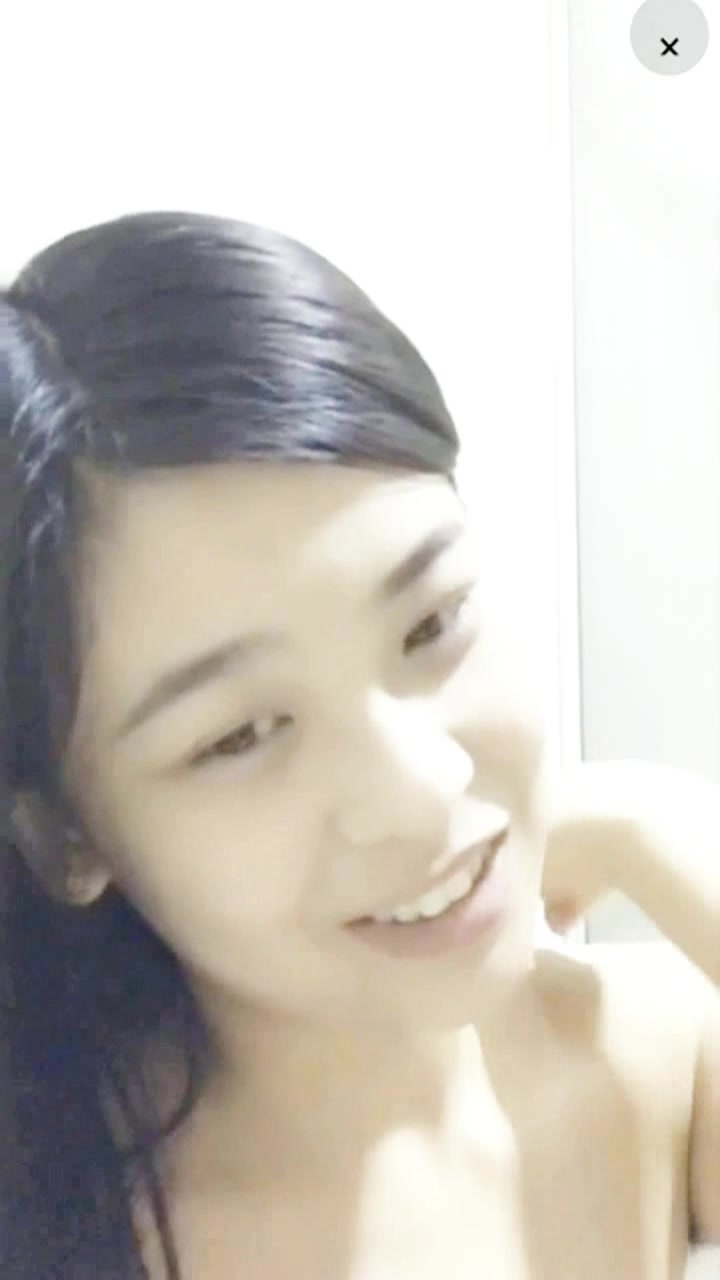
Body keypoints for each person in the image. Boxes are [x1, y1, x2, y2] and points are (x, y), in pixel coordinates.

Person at [0, 211, 716, 1280]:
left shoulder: (649, 1070)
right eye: (239, 734)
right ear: (67, 836)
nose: (422, 789)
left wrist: (656, 825)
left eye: (432, 624)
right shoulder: (51, 1214)